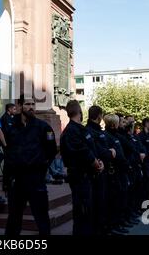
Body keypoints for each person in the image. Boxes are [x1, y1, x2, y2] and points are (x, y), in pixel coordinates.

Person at [4, 95, 57, 236]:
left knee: (42, 218)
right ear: (20, 106)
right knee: (14, 218)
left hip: (36, 179)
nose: (31, 107)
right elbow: (8, 154)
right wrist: (6, 181)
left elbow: (51, 151)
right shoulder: (10, 127)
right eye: (28, 104)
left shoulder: (43, 127)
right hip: (17, 180)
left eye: (33, 104)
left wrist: (41, 167)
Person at [60, 100, 103, 235]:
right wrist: (95, 163)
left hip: (88, 176)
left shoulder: (81, 129)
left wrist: (98, 161)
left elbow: (91, 148)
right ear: (79, 111)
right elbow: (82, 151)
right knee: (82, 212)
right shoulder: (70, 131)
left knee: (88, 211)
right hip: (79, 177)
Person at [85, 105, 116, 234]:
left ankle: (104, 228)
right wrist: (109, 153)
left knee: (104, 203)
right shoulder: (89, 131)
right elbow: (97, 150)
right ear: (99, 116)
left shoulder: (98, 131)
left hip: (105, 171)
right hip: (96, 173)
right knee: (98, 204)